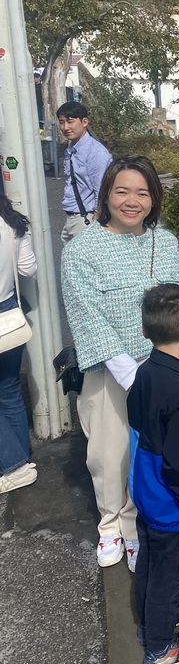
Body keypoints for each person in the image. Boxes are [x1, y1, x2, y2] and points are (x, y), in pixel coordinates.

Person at [61, 157, 179, 571]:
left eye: (142, 192)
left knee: (146, 453)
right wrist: (128, 372)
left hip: (159, 365)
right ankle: (110, 524)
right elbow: (86, 312)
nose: (132, 201)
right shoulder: (82, 249)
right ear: (107, 196)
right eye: (122, 191)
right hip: (109, 369)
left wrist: (165, 365)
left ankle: (133, 528)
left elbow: (175, 303)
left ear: (153, 198)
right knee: (107, 451)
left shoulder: (164, 242)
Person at [128, 283, 179, 664]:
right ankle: (158, 649)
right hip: (168, 502)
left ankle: (149, 623)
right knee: (168, 575)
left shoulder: (145, 373)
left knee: (149, 561)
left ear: (145, 332)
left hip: (143, 487)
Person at [0, 195, 38, 494]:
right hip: (9, 313)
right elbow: (27, 269)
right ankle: (21, 457)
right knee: (9, 388)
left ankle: (14, 465)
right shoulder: (13, 223)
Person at [57, 101, 112, 243]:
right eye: (62, 122)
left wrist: (97, 218)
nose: (66, 127)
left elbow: (101, 188)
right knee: (70, 261)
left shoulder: (96, 152)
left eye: (70, 121)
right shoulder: (72, 147)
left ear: (84, 122)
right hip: (72, 217)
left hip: (85, 218)